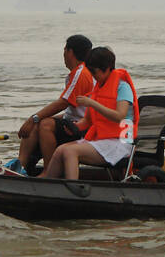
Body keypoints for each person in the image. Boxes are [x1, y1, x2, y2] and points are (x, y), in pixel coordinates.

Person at [43, 46, 140, 180]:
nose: (93, 77)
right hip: (101, 139)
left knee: (70, 151)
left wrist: (92, 103)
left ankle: (73, 188)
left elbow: (120, 116)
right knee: (60, 150)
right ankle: (46, 184)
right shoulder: (99, 87)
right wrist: (75, 127)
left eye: (94, 73)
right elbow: (88, 120)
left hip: (121, 142)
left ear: (106, 68)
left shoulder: (123, 87)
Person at [13, 34, 94, 175]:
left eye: (64, 50)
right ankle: (19, 166)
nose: (63, 55)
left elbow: (63, 103)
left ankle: (49, 171)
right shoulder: (78, 73)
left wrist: (33, 118)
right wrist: (34, 120)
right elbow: (72, 109)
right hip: (75, 121)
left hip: (82, 127)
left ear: (70, 52)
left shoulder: (81, 73)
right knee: (37, 124)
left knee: (45, 124)